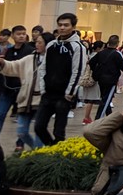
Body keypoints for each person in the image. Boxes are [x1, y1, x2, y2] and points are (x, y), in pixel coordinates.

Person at [33, 13, 88, 146]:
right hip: (48, 94)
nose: (62, 28)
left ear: (73, 27)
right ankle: (52, 149)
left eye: (66, 25)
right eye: (60, 25)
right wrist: (43, 88)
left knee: (59, 132)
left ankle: (57, 155)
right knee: (38, 126)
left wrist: (70, 93)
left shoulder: (78, 47)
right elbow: (43, 67)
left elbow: (78, 71)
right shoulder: (51, 44)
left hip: (63, 96)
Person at [0, 26, 34, 140]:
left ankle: (20, 144)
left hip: (23, 90)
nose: (21, 36)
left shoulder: (30, 51)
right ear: (13, 36)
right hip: (7, 88)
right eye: (19, 34)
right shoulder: (7, 50)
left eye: (24, 34)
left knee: (22, 119)